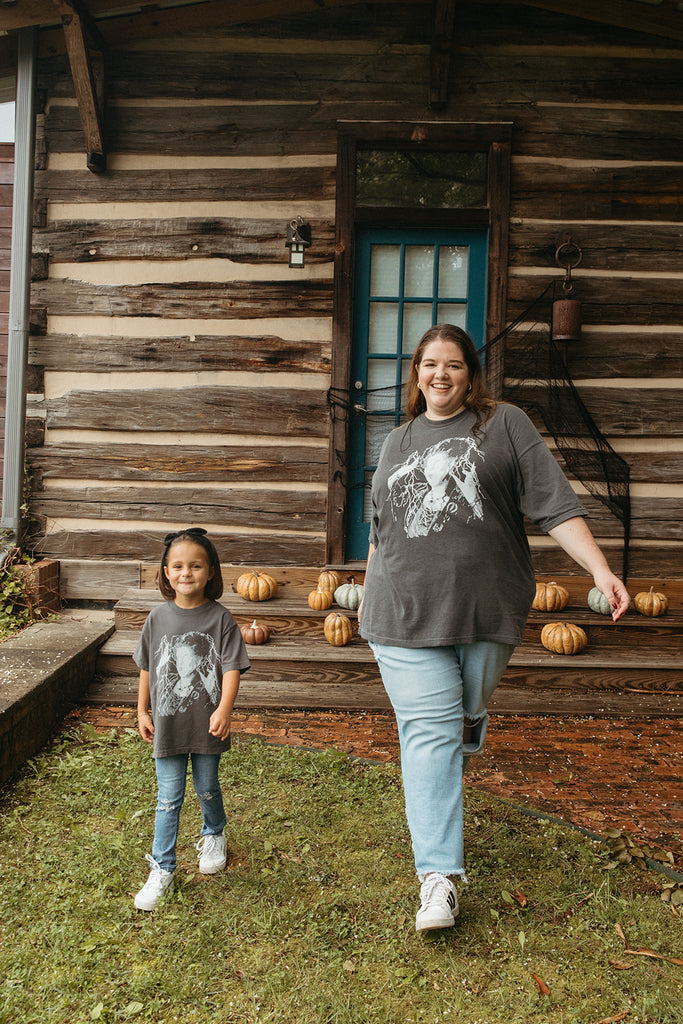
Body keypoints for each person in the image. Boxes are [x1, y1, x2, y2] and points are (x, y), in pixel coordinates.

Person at [358, 323, 630, 934]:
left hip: (487, 609)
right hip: (400, 612)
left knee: (459, 713)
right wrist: (369, 598)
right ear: (416, 374)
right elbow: (380, 531)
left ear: (470, 374)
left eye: (453, 365)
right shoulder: (397, 441)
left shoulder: (504, 425)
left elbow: (556, 505)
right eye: (429, 364)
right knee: (430, 733)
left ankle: (469, 717)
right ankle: (439, 880)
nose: (440, 375)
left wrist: (601, 570)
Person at [133, 527, 250, 911]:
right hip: (167, 728)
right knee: (168, 799)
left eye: (195, 566)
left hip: (206, 725)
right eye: (178, 566)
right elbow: (147, 668)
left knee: (206, 787)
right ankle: (162, 868)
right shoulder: (157, 619)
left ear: (211, 571)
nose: (187, 573)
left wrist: (225, 708)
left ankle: (214, 832)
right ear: (166, 573)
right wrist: (142, 710)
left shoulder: (222, 619)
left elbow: (232, 667)